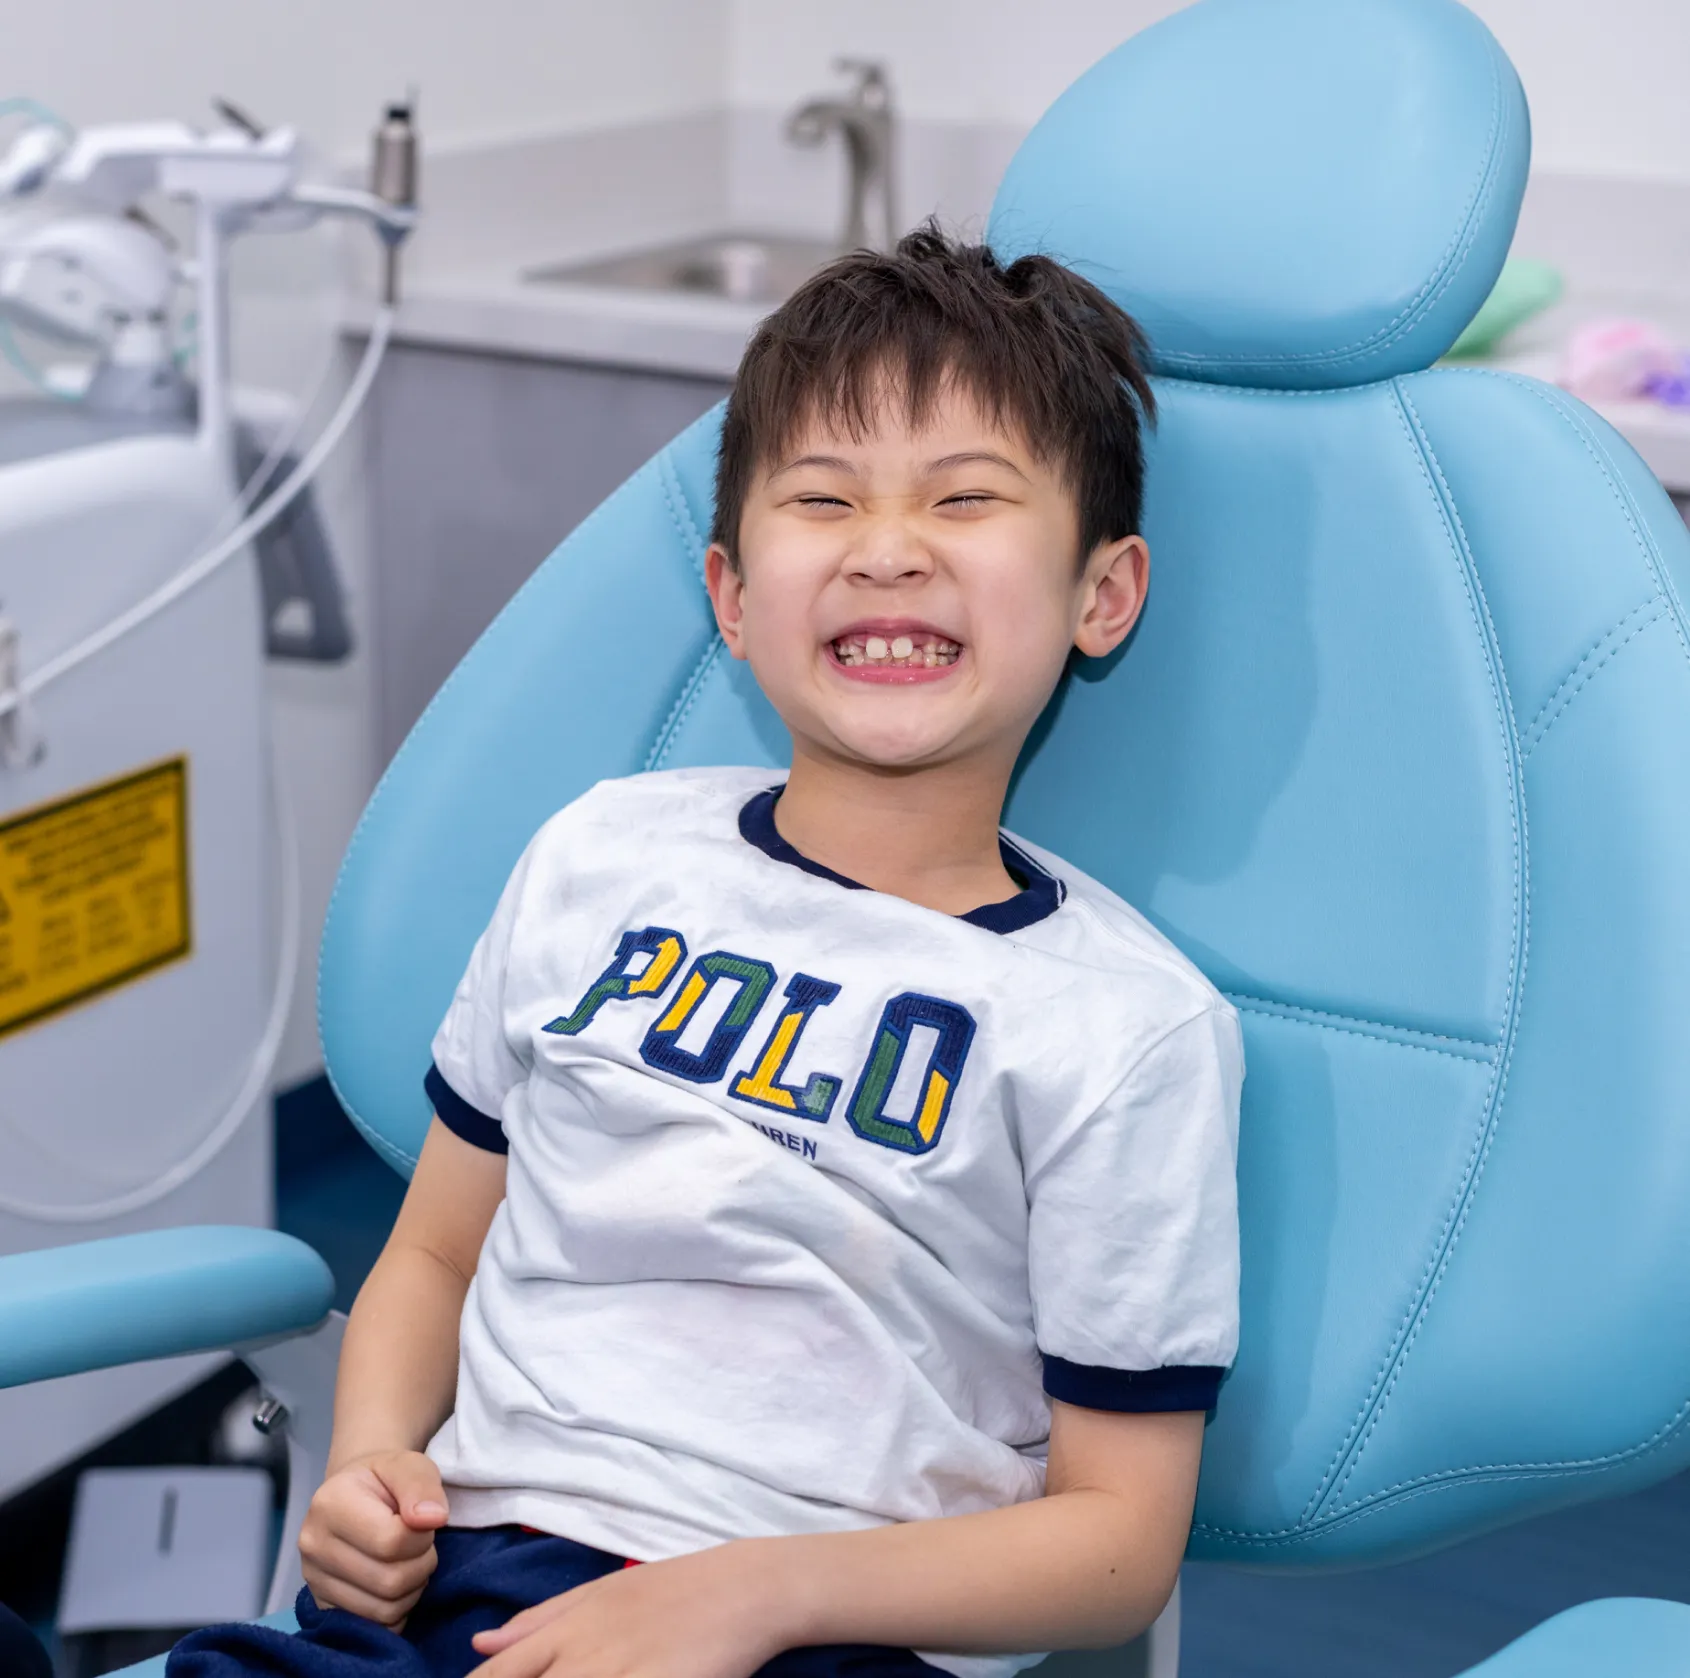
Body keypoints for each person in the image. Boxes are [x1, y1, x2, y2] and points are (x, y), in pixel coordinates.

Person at [171, 224, 1242, 1678]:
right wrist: (368, 1458)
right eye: (823, 497)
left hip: (826, 1625)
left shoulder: (1117, 1027)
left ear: (1100, 595)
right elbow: (430, 1247)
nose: (887, 547)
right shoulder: (603, 855)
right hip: (465, 1585)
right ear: (731, 597)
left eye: (965, 497)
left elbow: (1116, 1543)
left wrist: (753, 1596)